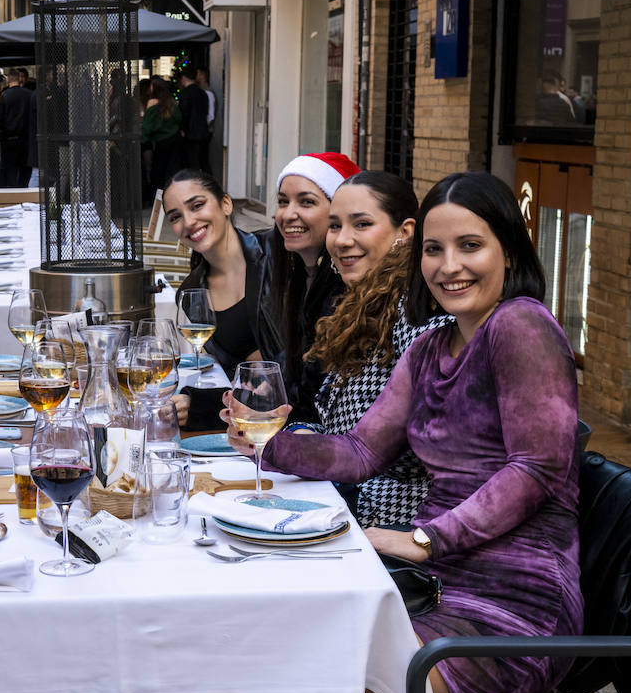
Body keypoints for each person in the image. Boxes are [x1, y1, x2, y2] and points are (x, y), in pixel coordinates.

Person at [213, 170, 582, 693]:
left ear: (510, 251)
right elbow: (360, 451)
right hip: (432, 592)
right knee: (225, 681)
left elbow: (536, 468)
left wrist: (429, 538)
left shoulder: (521, 326)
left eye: (470, 246)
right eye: (435, 250)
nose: (448, 266)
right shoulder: (434, 344)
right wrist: (270, 442)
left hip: (510, 614)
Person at [300, 170, 451, 526]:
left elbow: (398, 456)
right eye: (335, 226)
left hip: (393, 521)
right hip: (345, 502)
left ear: (406, 232)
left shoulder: (418, 312)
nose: (342, 240)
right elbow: (338, 428)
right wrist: (295, 435)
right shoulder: (362, 308)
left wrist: (284, 446)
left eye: (362, 224)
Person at [164, 170, 277, 430]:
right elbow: (235, 380)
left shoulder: (275, 253)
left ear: (226, 204)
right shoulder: (192, 293)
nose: (189, 221)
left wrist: (204, 406)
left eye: (197, 205)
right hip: (254, 425)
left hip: (306, 416)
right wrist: (196, 405)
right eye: (176, 217)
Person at [263, 152, 358, 421]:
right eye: (283, 202)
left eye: (306, 202)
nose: (288, 214)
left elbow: (313, 404)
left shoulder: (343, 292)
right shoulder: (297, 276)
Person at [141, 79, 182, 205]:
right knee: (172, 172)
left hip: (161, 142)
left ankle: (158, 201)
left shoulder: (152, 104)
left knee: (158, 173)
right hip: (175, 141)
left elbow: (147, 127)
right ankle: (174, 199)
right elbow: (179, 119)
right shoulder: (171, 103)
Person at [0, 69, 31, 186]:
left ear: (8, 79)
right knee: (25, 169)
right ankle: (23, 193)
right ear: (19, 79)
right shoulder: (29, 94)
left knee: (10, 169)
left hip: (8, 139)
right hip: (25, 139)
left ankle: (12, 194)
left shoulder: (3, 96)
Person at [176, 68, 209, 172]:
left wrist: (182, 129)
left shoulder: (184, 93)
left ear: (184, 78)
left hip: (190, 134)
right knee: (203, 162)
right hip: (203, 132)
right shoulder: (203, 93)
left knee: (191, 163)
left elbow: (184, 114)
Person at [196, 66, 218, 174]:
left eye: (198, 73)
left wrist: (202, 127)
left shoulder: (207, 92)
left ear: (202, 75)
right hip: (204, 131)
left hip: (205, 132)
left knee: (203, 160)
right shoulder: (203, 91)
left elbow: (211, 115)